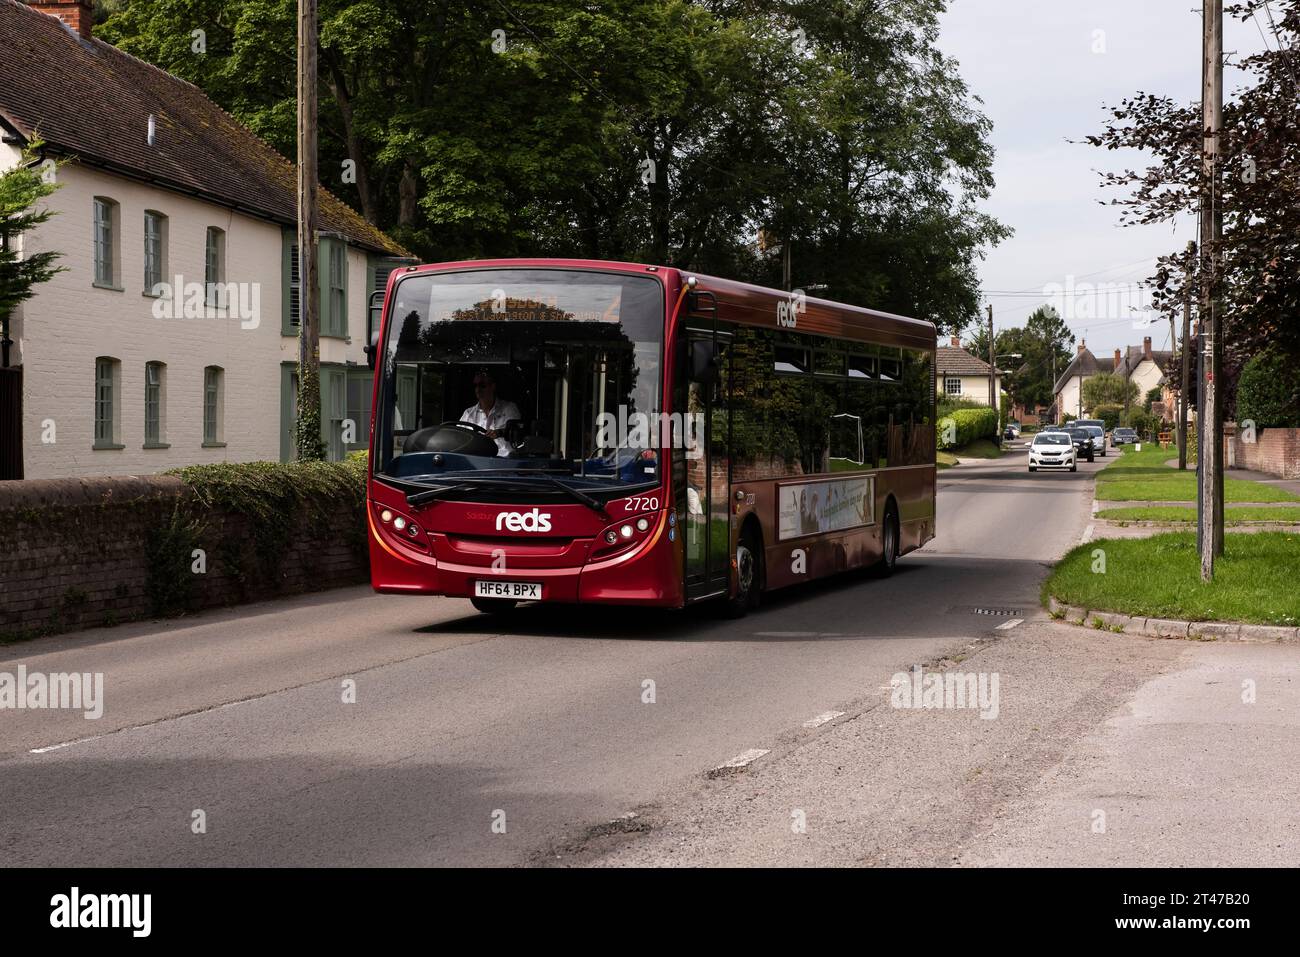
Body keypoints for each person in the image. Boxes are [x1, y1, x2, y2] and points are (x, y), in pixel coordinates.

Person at [460, 370, 521, 457]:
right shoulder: (468, 413)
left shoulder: (509, 408)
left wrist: (499, 432)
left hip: (505, 462)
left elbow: (517, 431)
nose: (478, 389)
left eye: (482, 385)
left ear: (493, 386)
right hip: (476, 462)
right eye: (475, 385)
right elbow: (458, 436)